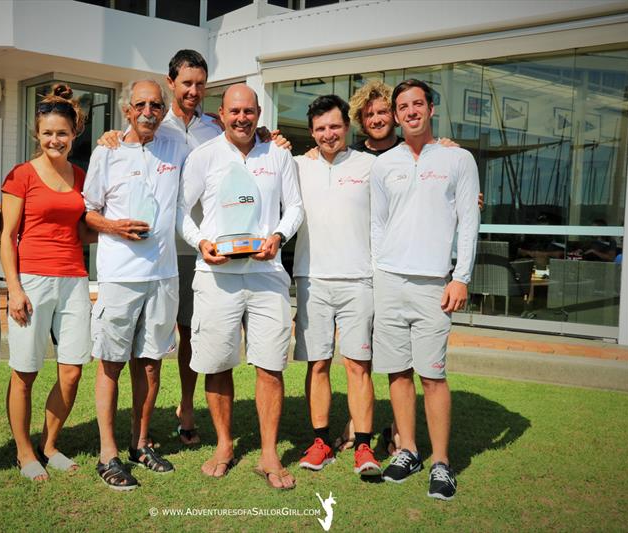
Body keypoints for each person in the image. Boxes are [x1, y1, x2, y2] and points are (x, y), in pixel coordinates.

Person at [97, 50, 290, 446]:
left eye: (200, 84)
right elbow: (130, 148)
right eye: (186, 83)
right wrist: (110, 137)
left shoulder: (214, 126)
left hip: (214, 252)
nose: (193, 90)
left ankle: (186, 407)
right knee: (157, 340)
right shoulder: (154, 123)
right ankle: (143, 426)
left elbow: (250, 144)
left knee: (191, 332)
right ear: (171, 83)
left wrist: (272, 137)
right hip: (164, 250)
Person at [177, 84, 304, 490]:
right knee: (216, 364)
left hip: (267, 276)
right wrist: (201, 242)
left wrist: (279, 237)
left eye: (249, 111)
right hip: (216, 276)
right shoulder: (204, 156)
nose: (242, 118)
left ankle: (269, 453)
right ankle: (224, 445)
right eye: (235, 111)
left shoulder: (279, 155)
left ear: (258, 112)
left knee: (270, 365)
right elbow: (180, 210)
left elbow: (296, 207)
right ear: (222, 113)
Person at [371, 79, 480, 501]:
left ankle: (441, 462)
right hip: (390, 282)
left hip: (435, 284)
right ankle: (408, 451)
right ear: (396, 115)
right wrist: (380, 269)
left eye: (418, 104)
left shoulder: (458, 160)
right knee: (397, 372)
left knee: (432, 375)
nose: (410, 111)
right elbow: (377, 224)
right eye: (403, 106)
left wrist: (461, 276)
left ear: (431, 109)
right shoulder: (384, 165)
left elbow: (469, 222)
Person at [84, 79, 189, 491]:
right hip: (120, 276)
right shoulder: (106, 151)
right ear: (127, 110)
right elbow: (88, 212)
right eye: (141, 105)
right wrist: (114, 225)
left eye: (156, 105)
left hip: (163, 276)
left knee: (150, 362)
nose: (149, 111)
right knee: (110, 362)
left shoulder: (176, 145)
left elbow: (222, 148)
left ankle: (140, 443)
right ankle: (108, 453)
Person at [0, 84, 92, 481]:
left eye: (62, 133)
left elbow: (83, 229)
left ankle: (49, 444)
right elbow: (7, 236)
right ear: (37, 134)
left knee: (71, 371)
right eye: (48, 133)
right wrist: (14, 289)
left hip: (74, 279)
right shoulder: (21, 175)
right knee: (26, 370)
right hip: (33, 281)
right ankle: (24, 452)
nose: (55, 139)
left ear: (74, 134)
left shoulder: (81, 175)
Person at [293, 95, 381, 476]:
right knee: (318, 365)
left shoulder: (371, 166)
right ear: (311, 132)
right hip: (311, 278)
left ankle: (363, 446)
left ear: (347, 126)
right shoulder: (296, 166)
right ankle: (322, 442)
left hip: (359, 280)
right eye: (320, 128)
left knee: (358, 365)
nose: (328, 134)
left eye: (334, 126)